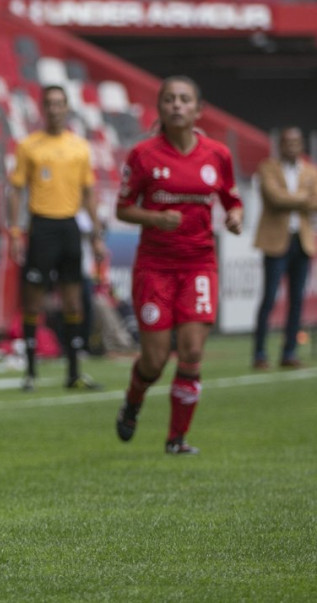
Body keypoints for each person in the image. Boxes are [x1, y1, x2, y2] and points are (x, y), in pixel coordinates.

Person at [114, 75, 243, 455]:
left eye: (184, 99)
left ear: (198, 110)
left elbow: (231, 199)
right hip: (155, 267)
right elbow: (122, 208)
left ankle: (176, 438)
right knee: (153, 361)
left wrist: (234, 217)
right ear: (161, 108)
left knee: (190, 352)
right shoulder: (143, 155)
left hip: (199, 265)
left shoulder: (218, 154)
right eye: (169, 99)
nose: (176, 105)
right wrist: (154, 219)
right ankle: (134, 399)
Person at [7, 85, 106, 391]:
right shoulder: (29, 146)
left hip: (70, 227)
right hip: (42, 227)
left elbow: (89, 193)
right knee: (34, 300)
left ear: (67, 108)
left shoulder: (80, 147)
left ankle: (74, 372)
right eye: (49, 104)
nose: (54, 109)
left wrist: (96, 236)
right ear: (42, 108)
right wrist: (14, 231)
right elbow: (17, 190)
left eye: (59, 103)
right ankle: (31, 373)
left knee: (73, 299)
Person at [252, 126, 317, 369]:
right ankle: (259, 353)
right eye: (287, 142)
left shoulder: (310, 171)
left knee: (297, 300)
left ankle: (289, 352)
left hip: (301, 241)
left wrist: (297, 199)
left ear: (302, 145)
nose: (292, 146)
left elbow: (316, 201)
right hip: (274, 241)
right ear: (280, 145)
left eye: (296, 142)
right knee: (269, 298)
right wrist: (302, 198)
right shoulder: (268, 167)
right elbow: (274, 198)